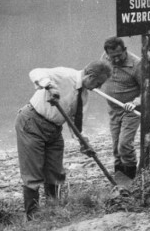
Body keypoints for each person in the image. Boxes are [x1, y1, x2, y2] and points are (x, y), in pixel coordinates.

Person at [15, 61, 111, 220]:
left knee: (55, 172)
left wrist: (83, 142)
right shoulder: (65, 75)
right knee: (34, 173)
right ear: (90, 75)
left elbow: (75, 123)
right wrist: (49, 86)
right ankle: (33, 217)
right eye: (98, 83)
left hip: (54, 129)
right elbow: (35, 71)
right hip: (32, 123)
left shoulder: (84, 96)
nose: (98, 87)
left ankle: (53, 211)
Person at [101, 37, 142, 181]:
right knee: (115, 148)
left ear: (125, 50)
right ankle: (119, 182)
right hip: (113, 110)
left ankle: (131, 179)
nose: (116, 60)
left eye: (119, 55)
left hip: (130, 111)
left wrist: (136, 102)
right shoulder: (105, 59)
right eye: (113, 57)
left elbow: (148, 90)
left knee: (124, 145)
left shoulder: (137, 64)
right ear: (107, 54)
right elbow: (99, 73)